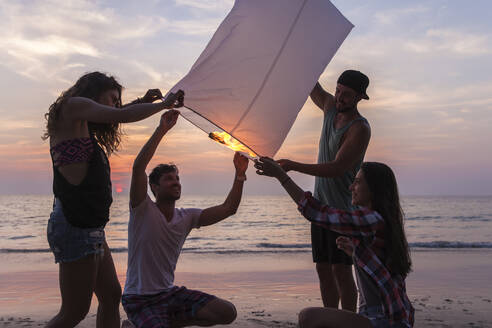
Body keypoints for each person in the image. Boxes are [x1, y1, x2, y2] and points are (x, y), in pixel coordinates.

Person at [43, 71, 183, 328]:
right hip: (74, 227)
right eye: (112, 98)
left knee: (110, 296)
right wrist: (162, 105)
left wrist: (142, 101)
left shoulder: (82, 121)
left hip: (90, 228)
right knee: (74, 312)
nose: (116, 105)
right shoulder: (72, 107)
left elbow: (113, 114)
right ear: (94, 93)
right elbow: (117, 115)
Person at [121, 109, 248, 327]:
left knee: (227, 312)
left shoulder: (187, 217)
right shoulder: (142, 209)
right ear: (154, 187)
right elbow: (138, 167)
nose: (176, 182)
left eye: (177, 178)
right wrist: (162, 130)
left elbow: (229, 208)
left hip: (169, 294)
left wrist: (239, 175)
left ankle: (167, 322)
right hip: (139, 299)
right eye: (169, 179)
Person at [255, 158, 414, 327]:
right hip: (392, 318)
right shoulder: (382, 222)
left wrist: (282, 177)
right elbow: (381, 268)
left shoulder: (372, 219)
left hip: (384, 320)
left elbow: (316, 212)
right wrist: (357, 253)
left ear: (374, 189)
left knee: (308, 317)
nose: (351, 187)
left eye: (358, 182)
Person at [276, 70, 372, 311]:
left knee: (341, 269)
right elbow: (311, 83)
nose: (339, 98)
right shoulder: (329, 107)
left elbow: (337, 168)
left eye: (347, 95)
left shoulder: (359, 128)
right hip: (320, 207)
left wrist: (292, 166)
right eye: (338, 91)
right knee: (323, 268)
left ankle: (348, 321)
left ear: (360, 97)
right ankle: (330, 318)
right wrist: (302, 58)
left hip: (344, 210)